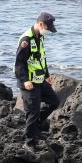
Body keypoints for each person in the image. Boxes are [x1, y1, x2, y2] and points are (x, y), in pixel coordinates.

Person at [14, 12, 60, 148]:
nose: (48, 31)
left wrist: (46, 74)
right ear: (40, 24)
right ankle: (29, 141)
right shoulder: (26, 40)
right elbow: (19, 63)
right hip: (29, 82)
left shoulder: (39, 37)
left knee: (54, 101)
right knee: (32, 111)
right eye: (48, 28)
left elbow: (41, 58)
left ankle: (35, 127)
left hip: (40, 80)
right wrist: (25, 80)